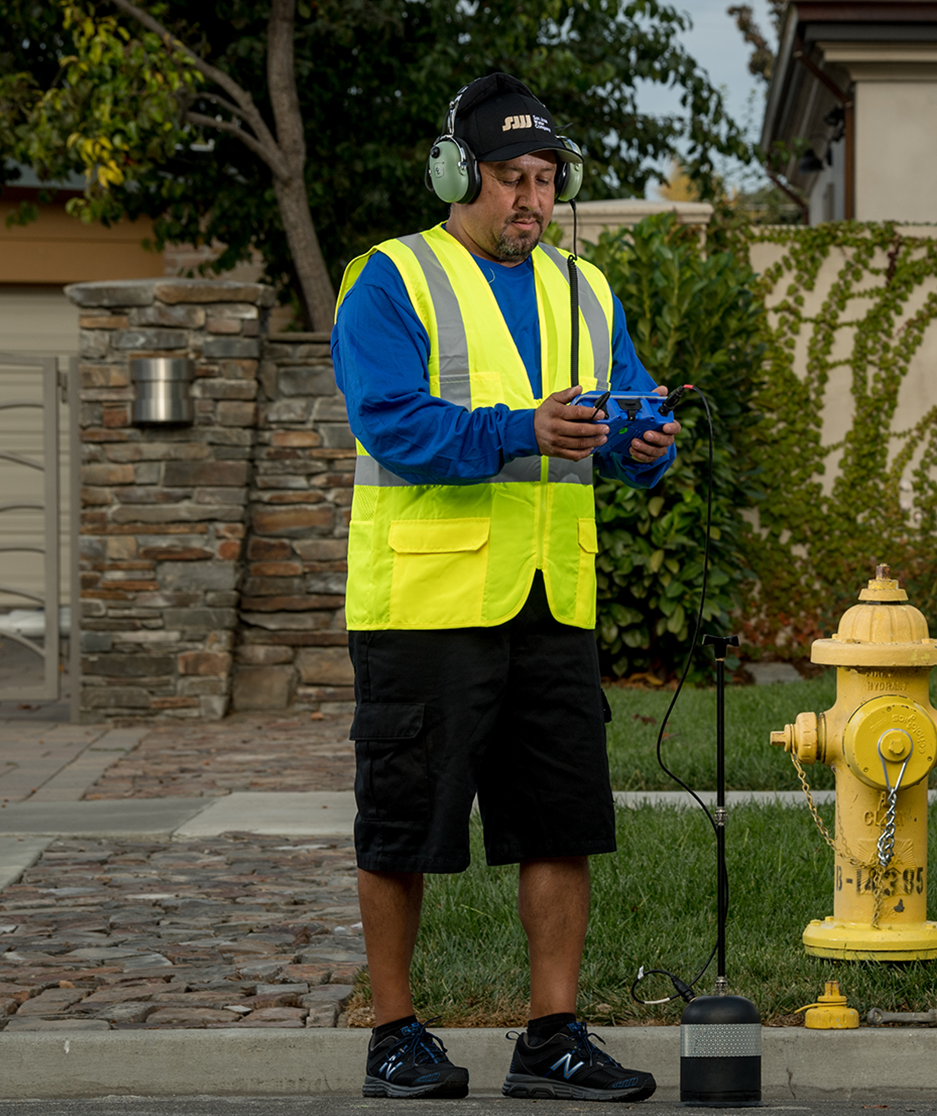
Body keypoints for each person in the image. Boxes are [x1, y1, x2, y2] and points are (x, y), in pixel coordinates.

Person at [330, 73, 668, 1102]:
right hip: (423, 608)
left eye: (546, 179)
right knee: (402, 827)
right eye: (513, 179)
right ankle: (395, 1034)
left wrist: (645, 443)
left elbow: (627, 409)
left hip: (550, 601)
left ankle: (551, 1036)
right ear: (455, 174)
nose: (533, 199)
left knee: (559, 821)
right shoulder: (389, 280)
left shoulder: (585, 287)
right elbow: (389, 423)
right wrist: (520, 430)